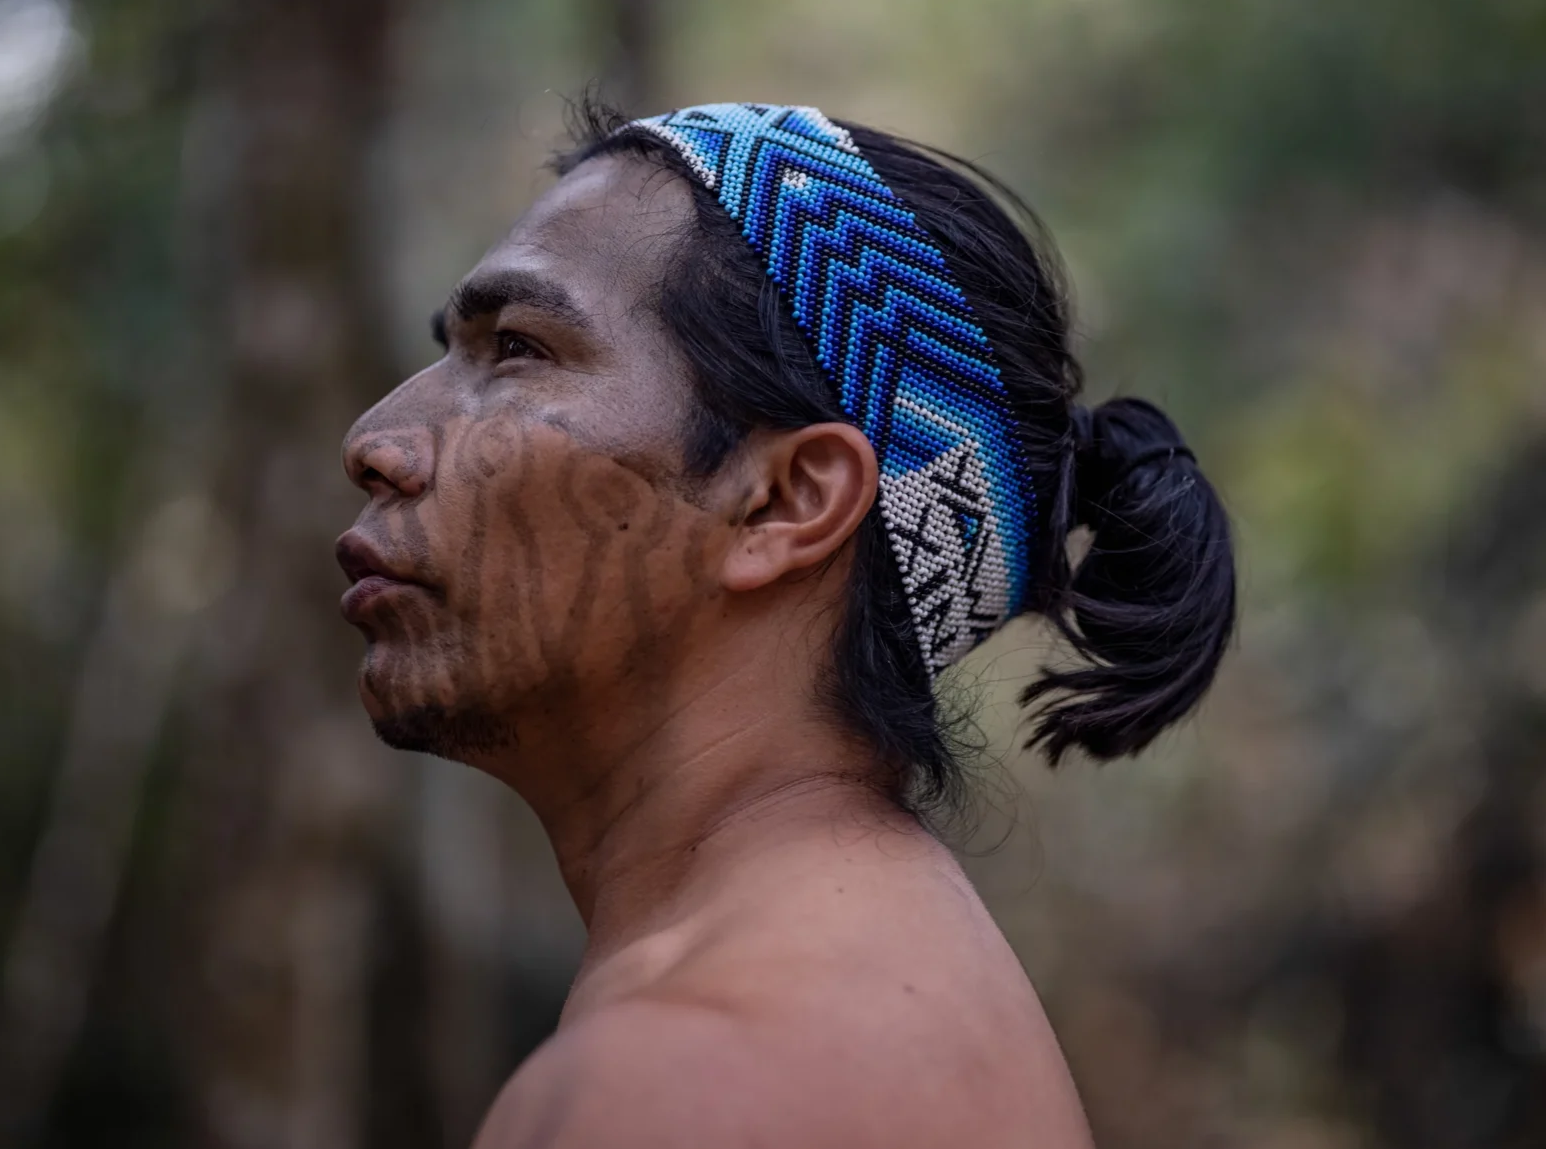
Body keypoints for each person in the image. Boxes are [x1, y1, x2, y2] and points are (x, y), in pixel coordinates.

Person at [336, 101, 1235, 1148]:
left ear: (785, 502)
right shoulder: (875, 991)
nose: (377, 440)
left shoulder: (688, 1082)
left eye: (521, 349)